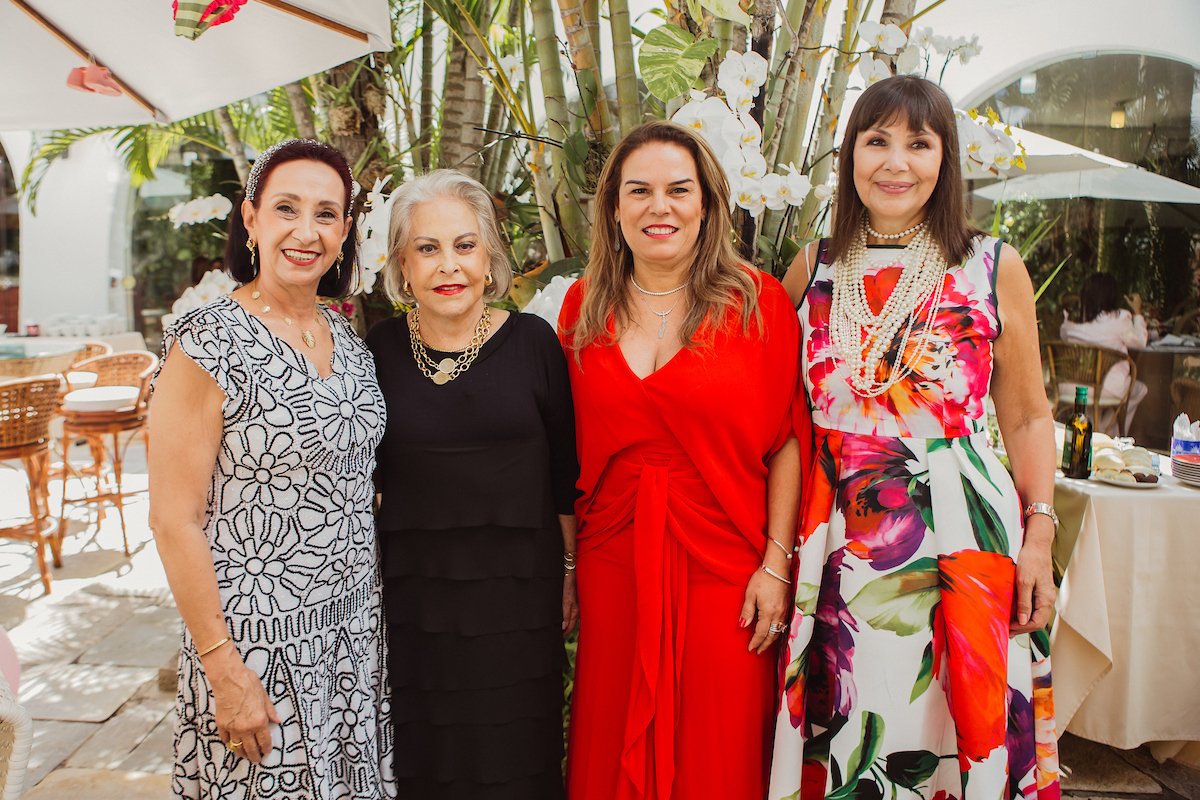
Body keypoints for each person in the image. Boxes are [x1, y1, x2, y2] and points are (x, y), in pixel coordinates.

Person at [770, 75, 1061, 800]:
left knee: (949, 733)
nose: (896, 162)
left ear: (945, 158)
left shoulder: (994, 266)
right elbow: (776, 421)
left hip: (963, 535)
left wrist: (1040, 539)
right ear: (851, 156)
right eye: (877, 141)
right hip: (838, 542)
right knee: (855, 733)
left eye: (918, 143)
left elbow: (1026, 415)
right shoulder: (812, 267)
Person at [559, 120, 805, 800]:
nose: (658, 207)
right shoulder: (583, 308)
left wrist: (776, 565)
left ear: (707, 204)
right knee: (610, 739)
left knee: (715, 748)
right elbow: (564, 450)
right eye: (638, 191)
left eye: (677, 190)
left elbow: (786, 440)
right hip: (615, 559)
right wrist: (571, 568)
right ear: (614, 208)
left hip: (726, 565)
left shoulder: (760, 303)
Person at [149, 139, 395, 799]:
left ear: (345, 233)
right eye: (286, 208)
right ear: (251, 219)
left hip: (351, 635)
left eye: (326, 214)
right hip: (257, 649)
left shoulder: (345, 335)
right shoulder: (206, 342)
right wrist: (223, 668)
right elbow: (175, 520)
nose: (306, 231)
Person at [367, 169, 578, 799]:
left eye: (464, 245)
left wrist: (571, 572)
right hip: (416, 600)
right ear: (402, 266)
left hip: (519, 597)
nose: (448, 266)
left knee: (517, 750)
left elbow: (566, 474)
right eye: (427, 249)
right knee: (427, 754)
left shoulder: (534, 342)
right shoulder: (377, 349)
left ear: (490, 257)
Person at [1059, 272, 1148, 435]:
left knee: (1092, 404)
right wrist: (1137, 312)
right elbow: (1140, 341)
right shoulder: (1120, 319)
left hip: (1072, 388)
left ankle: (1094, 432)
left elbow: (1064, 336)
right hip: (1107, 389)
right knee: (1139, 389)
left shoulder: (1071, 323)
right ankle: (1108, 434)